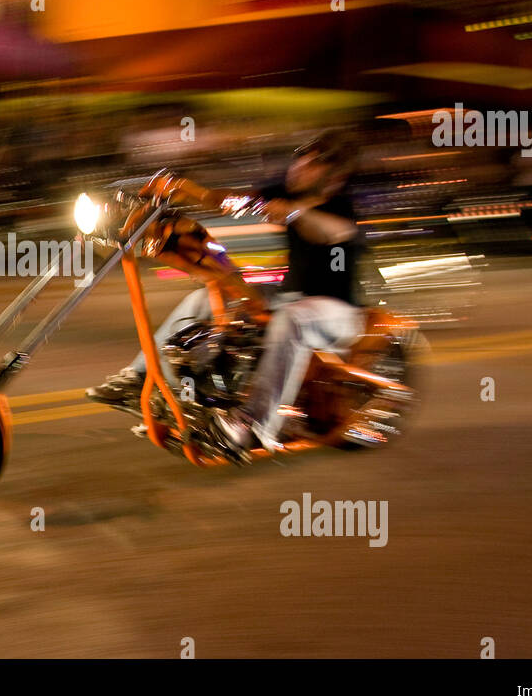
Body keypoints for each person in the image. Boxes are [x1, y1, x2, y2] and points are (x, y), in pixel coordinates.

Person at [85, 132, 364, 457]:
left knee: (292, 319)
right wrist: (182, 187)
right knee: (211, 294)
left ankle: (252, 424)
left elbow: (333, 232)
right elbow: (226, 201)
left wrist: (294, 213)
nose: (300, 167)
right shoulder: (285, 193)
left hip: (338, 311)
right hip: (290, 297)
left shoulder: (342, 206)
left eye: (315, 163)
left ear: (335, 175)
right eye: (301, 158)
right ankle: (138, 378)